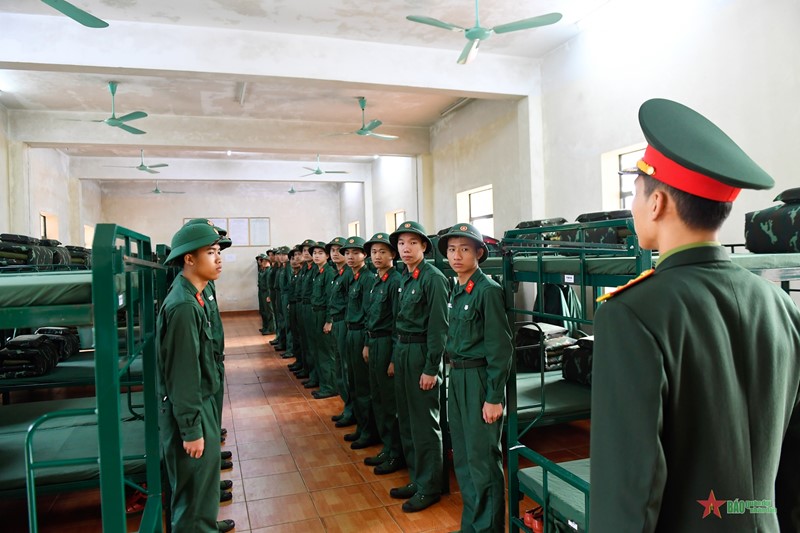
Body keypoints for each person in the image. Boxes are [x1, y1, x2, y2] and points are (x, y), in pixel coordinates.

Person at [590, 98, 800, 532]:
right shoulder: (781, 306)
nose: (633, 207)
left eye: (636, 193)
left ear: (656, 202)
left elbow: (630, 490)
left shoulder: (630, 313)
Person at [157, 221, 234, 533]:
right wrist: (191, 430)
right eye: (211, 252)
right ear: (189, 258)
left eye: (218, 252)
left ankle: (205, 524)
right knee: (192, 494)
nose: (219, 258)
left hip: (202, 399)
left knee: (201, 485)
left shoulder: (195, 294)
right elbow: (183, 375)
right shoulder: (184, 307)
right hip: (193, 405)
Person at [440, 223, 512, 532]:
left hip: (479, 380)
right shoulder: (456, 289)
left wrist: (494, 397)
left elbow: (500, 349)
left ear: (479, 253)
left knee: (482, 460)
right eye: (451, 249)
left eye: (464, 249)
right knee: (464, 459)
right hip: (457, 378)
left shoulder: (488, 290)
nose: (456, 255)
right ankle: (472, 525)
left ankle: (488, 528)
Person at [388, 221, 449, 513]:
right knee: (408, 419)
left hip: (421, 353)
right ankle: (418, 477)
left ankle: (430, 486)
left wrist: (431, 368)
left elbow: (439, 327)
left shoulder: (433, 278)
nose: (406, 248)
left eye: (413, 243)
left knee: (425, 423)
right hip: (403, 349)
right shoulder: (405, 276)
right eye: (401, 243)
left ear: (424, 246)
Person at [362, 232, 405, 474]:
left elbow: (397, 322)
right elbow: (371, 316)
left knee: (390, 403)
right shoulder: (377, 281)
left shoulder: (395, 281)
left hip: (388, 344)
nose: (377, 256)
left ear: (392, 255)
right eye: (374, 252)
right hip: (375, 342)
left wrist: (393, 358)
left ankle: (396, 453)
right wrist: (367, 343)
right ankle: (387, 447)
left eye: (382, 252)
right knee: (378, 398)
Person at [340, 236, 380, 449]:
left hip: (360, 334)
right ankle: (360, 426)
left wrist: (366, 342)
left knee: (363, 387)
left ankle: (368, 431)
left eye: (355, 253)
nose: (350, 257)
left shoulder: (367, 279)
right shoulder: (353, 277)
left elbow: (368, 314)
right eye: (347, 253)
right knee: (354, 383)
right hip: (350, 332)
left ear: (365, 255)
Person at [324, 237, 357, 427]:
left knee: (346, 368)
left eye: (339, 250)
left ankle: (352, 410)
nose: (335, 254)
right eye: (333, 250)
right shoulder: (339, 274)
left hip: (345, 322)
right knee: (340, 368)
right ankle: (347, 407)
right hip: (338, 322)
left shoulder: (349, 275)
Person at [308, 240, 338, 399]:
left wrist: (329, 320)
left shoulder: (329, 273)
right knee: (318, 351)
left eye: (320, 253)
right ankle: (323, 383)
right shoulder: (318, 272)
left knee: (326, 353)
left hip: (323, 315)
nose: (316, 256)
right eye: (314, 253)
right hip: (315, 313)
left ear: (327, 256)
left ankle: (330, 387)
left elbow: (330, 299)